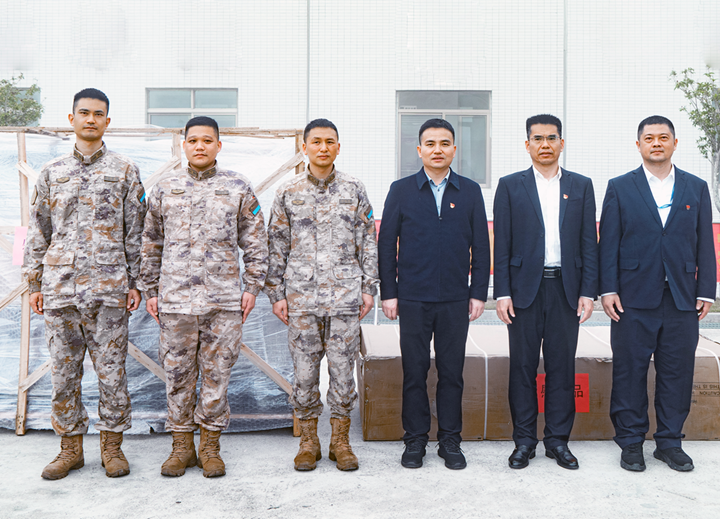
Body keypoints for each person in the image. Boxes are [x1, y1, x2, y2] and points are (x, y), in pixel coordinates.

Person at [23, 88, 147, 480]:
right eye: (84, 113)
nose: (91, 119)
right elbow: (39, 229)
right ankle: (70, 449)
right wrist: (34, 283)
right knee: (64, 374)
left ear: (107, 121)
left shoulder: (125, 170)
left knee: (112, 374)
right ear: (72, 118)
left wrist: (135, 282)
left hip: (110, 288)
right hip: (60, 289)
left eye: (98, 114)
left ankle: (112, 448)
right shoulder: (52, 172)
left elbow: (136, 231)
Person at [138, 116, 268, 478]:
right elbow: (150, 243)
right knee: (178, 375)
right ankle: (181, 448)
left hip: (223, 303)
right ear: (184, 145)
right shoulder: (165, 189)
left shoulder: (237, 187)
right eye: (193, 140)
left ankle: (210, 447)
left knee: (217, 375)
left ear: (218, 145)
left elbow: (256, 243)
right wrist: (150, 290)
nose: (200, 146)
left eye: (207, 140)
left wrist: (252, 287)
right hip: (175, 301)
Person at [599, 115, 716, 472]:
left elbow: (705, 242)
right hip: (632, 298)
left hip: (682, 296)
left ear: (675, 144)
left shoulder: (695, 187)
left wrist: (706, 290)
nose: (656, 143)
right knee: (629, 371)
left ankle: (669, 442)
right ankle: (631, 442)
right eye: (649, 138)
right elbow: (609, 243)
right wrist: (608, 289)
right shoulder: (620, 187)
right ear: (638, 145)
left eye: (663, 137)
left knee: (677, 373)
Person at [264, 118, 378, 472]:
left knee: (343, 373)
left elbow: (367, 240)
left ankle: (340, 442)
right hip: (301, 299)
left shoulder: (354, 189)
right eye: (316, 142)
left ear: (338, 147)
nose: (323, 148)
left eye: (330, 142)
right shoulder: (288, 191)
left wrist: (368, 287)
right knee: (304, 374)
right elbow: (276, 245)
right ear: (305, 147)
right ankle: (309, 441)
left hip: (345, 297)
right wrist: (276, 293)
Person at [378, 118, 490, 470]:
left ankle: (450, 440)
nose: (437, 150)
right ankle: (415, 440)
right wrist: (389, 292)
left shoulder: (469, 191)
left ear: (454, 149)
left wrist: (478, 293)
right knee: (414, 371)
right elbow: (386, 245)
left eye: (444, 144)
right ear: (419, 150)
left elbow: (481, 246)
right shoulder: (401, 190)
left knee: (452, 372)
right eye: (430, 144)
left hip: (455, 298)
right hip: (412, 297)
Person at [493, 114, 598, 470]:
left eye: (552, 138)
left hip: (566, 289)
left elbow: (589, 243)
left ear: (561, 143)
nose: (545, 145)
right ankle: (524, 441)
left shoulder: (581, 186)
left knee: (562, 368)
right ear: (527, 145)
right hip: (524, 291)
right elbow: (502, 244)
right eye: (537, 139)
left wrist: (588, 291)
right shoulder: (510, 186)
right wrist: (502, 292)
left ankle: (557, 441)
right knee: (522, 367)